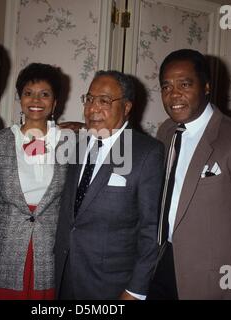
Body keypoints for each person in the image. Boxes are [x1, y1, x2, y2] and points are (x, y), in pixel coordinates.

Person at [147, 49, 231, 300]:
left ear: (205, 86)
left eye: (184, 84)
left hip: (210, 280)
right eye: (166, 87)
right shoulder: (166, 130)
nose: (174, 95)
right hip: (160, 263)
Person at [54, 70, 164, 300]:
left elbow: (150, 230)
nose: (92, 108)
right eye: (89, 99)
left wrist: (136, 290)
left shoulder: (146, 153)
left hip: (111, 287)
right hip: (65, 278)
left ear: (126, 107)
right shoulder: (75, 143)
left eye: (104, 101)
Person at [0, 63, 68, 300]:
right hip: (5, 250)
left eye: (45, 94)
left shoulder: (68, 143)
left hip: (48, 250)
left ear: (55, 103)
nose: (36, 100)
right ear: (19, 98)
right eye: (28, 93)